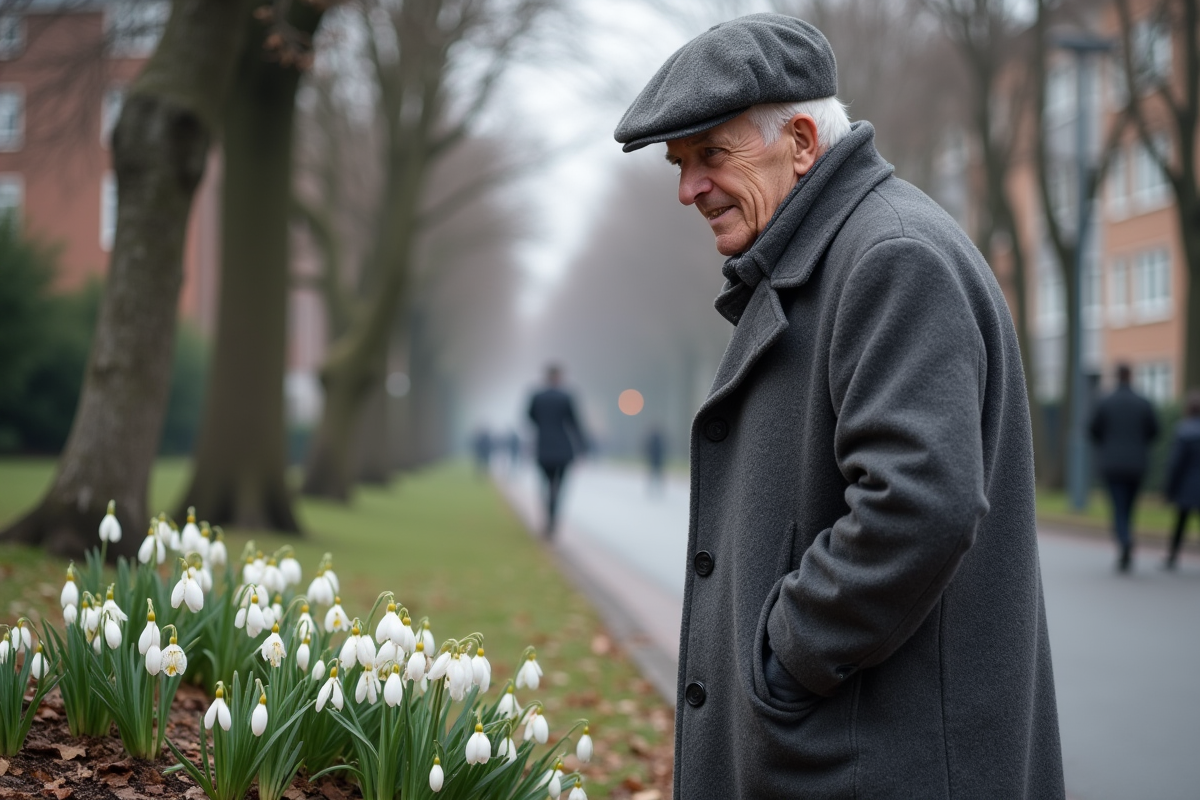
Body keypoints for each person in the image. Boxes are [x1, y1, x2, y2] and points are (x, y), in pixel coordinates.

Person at [614, 14, 1062, 798]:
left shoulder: (890, 257)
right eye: (679, 164)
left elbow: (918, 504)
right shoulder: (836, 254)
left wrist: (787, 657)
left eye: (712, 155)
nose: (688, 189)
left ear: (801, 141)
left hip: (881, 760)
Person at [1089, 363, 1159, 572]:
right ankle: (1126, 537)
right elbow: (1155, 430)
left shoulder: (1105, 402)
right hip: (1137, 464)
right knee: (1129, 506)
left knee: (1118, 506)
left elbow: (1093, 430)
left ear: (1116, 377)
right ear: (1131, 376)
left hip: (1112, 463)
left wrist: (1107, 444)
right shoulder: (1143, 402)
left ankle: (1124, 539)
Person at [527, 365, 586, 537]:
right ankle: (553, 519)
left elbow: (530, 417)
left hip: (543, 447)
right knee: (559, 487)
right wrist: (582, 447)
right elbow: (575, 423)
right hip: (563, 448)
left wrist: (543, 428)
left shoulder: (537, 397)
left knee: (546, 485)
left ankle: (548, 517)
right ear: (559, 378)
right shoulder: (566, 397)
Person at [1164, 391, 1200, 569]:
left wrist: (1169, 489)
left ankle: (1172, 557)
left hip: (1187, 485)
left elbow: (1176, 464)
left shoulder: (1184, 430)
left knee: (1180, 523)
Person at [645, 426, 666, 494]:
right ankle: (656, 489)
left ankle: (654, 489)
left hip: (655, 459)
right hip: (656, 459)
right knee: (655, 475)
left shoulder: (652, 439)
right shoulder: (659, 439)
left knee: (655, 475)